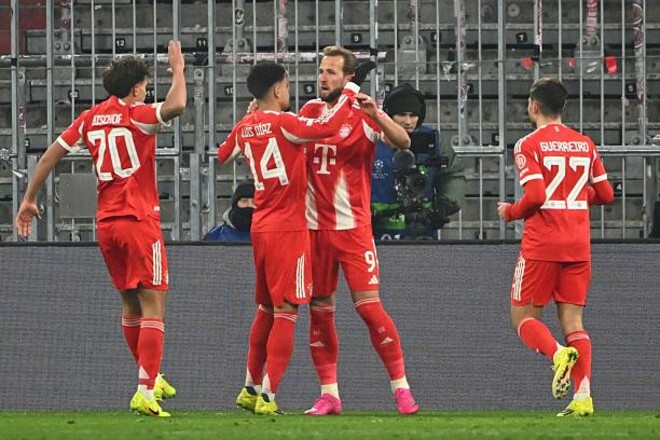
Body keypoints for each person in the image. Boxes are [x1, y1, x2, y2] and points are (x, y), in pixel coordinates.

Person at [14, 41, 187, 417]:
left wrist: (28, 199)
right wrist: (178, 70)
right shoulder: (138, 115)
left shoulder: (90, 118)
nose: (147, 92)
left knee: (130, 303)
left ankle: (150, 377)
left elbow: (49, 156)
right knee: (154, 303)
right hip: (139, 219)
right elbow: (177, 105)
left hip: (107, 223)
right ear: (135, 88)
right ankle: (145, 389)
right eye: (145, 86)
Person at [217, 62, 363, 415]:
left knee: (266, 308)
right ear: (278, 90)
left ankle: (250, 387)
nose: (289, 91)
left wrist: (246, 118)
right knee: (286, 310)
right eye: (287, 85)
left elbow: (222, 155)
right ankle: (268, 395)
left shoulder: (247, 126)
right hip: (289, 229)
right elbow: (329, 127)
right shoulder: (286, 123)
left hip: (260, 228)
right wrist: (350, 92)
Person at [300, 46, 419, 415]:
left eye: (332, 72)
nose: (323, 78)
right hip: (314, 229)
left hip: (353, 229)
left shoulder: (363, 114)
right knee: (320, 311)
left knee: (369, 308)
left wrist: (377, 113)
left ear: (349, 78)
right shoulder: (309, 111)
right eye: (322, 71)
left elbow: (403, 142)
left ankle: (401, 388)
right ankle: (329, 394)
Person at [497, 77, 614, 417]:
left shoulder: (529, 144)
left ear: (534, 106)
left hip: (542, 244)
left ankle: (558, 354)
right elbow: (606, 195)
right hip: (578, 245)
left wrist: (510, 212)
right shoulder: (585, 144)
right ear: (563, 108)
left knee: (522, 318)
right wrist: (573, 194)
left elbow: (536, 196)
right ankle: (583, 397)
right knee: (574, 322)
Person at [372, 83, 466, 239]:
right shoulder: (371, 139)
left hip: (422, 233)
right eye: (401, 114)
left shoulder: (433, 141)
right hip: (375, 234)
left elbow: (452, 175)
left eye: (413, 115)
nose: (408, 121)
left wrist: (441, 208)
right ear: (389, 115)